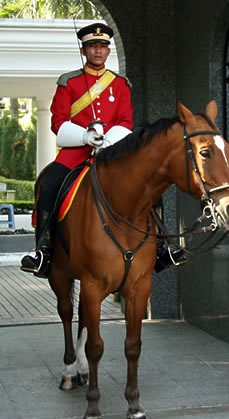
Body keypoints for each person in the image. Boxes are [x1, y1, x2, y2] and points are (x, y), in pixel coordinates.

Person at [21, 22, 133, 277]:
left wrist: (107, 141)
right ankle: (44, 250)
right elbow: (57, 121)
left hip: (112, 152)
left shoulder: (120, 84)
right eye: (92, 46)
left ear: (108, 51)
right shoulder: (68, 82)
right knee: (48, 186)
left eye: (103, 46)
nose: (98, 51)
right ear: (83, 51)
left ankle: (161, 248)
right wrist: (84, 136)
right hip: (75, 153)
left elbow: (125, 122)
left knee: (148, 184)